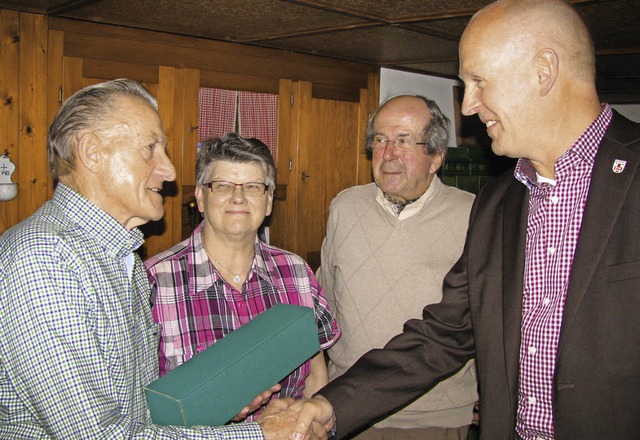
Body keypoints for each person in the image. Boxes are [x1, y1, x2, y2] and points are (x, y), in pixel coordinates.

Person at [288, 0, 640, 439]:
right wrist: (329, 405)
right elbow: (442, 335)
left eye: (478, 81)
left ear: (543, 70)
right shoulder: (500, 201)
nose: (469, 106)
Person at [0, 78, 325, 439]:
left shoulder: (122, 260)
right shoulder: (44, 259)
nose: (169, 172)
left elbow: (140, 409)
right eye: (150, 149)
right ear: (91, 152)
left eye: (252, 187)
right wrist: (259, 435)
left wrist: (216, 401)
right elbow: (99, 436)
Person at [145, 133, 340, 420]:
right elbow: (138, 408)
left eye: (252, 186)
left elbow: (315, 377)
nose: (238, 197)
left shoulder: (295, 272)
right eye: (222, 186)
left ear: (269, 200)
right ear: (200, 197)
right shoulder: (153, 282)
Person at [316, 95, 477, 440]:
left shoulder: (473, 216)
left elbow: (483, 319)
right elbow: (323, 301)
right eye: (380, 140)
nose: (388, 154)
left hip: (433, 414)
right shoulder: (345, 206)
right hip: (346, 407)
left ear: (436, 157)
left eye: (403, 141)